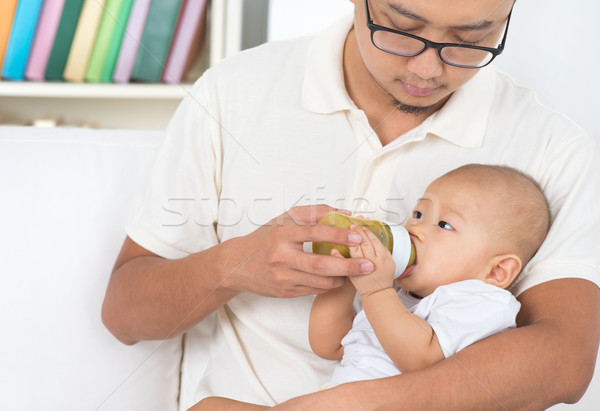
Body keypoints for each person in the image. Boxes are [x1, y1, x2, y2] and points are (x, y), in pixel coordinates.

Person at [101, 0, 600, 409]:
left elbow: (565, 361)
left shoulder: (550, 145)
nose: (427, 69)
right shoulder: (233, 92)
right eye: (402, 29)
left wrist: (352, 405)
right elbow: (125, 315)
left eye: (471, 40)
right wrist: (234, 266)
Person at [190, 164, 550, 410]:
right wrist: (346, 278)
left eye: (444, 225)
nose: (416, 230)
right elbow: (328, 345)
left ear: (498, 270)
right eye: (419, 214)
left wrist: (375, 291)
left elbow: (421, 358)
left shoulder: (482, 301)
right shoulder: (397, 296)